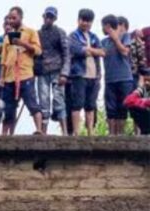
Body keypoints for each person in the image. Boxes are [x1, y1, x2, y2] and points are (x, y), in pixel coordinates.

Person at [0, 7, 43, 136]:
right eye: (10, 18)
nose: (11, 20)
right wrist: (1, 77)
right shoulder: (7, 37)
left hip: (25, 74)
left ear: (20, 17)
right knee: (8, 108)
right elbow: (3, 58)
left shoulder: (30, 32)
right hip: (9, 76)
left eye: (14, 18)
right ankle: (5, 134)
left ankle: (39, 129)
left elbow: (38, 50)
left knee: (32, 103)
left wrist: (23, 43)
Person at [67, 9, 104, 137]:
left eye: (88, 21)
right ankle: (76, 132)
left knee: (90, 105)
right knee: (77, 104)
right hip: (79, 75)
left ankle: (90, 132)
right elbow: (76, 50)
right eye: (83, 20)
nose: (85, 23)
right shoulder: (73, 36)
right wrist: (92, 50)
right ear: (78, 20)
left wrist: (89, 50)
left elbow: (102, 52)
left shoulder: (94, 36)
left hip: (95, 76)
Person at [36, 7, 70, 135]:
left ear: (55, 19)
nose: (48, 19)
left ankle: (65, 132)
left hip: (57, 70)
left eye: (51, 17)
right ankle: (43, 132)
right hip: (42, 71)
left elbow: (67, 54)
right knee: (43, 101)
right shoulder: (37, 33)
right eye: (47, 16)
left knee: (58, 100)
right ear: (43, 16)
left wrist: (64, 73)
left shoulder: (60, 32)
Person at [101, 15, 134, 136]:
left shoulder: (125, 37)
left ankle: (120, 134)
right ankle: (111, 134)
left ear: (108, 26)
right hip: (109, 79)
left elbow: (125, 52)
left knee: (123, 107)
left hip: (125, 78)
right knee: (110, 108)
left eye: (103, 26)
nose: (102, 29)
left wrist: (116, 39)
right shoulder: (103, 41)